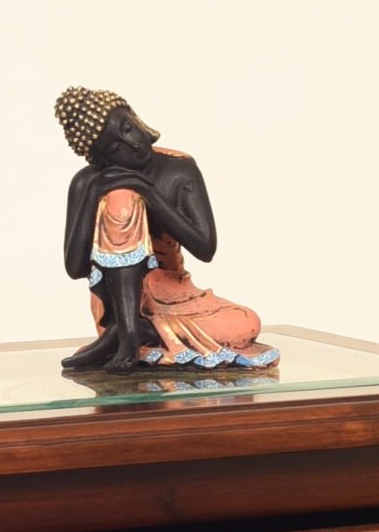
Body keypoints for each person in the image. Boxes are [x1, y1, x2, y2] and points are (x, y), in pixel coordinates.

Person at [53, 87, 274, 375]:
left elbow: (205, 247)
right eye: (116, 149)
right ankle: (128, 334)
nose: (132, 144)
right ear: (100, 160)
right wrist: (94, 194)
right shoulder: (89, 182)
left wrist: (149, 193)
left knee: (247, 323)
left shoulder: (178, 168)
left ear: (136, 118)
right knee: (121, 196)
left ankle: (139, 333)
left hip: (177, 296)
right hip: (117, 304)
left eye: (128, 129)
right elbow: (75, 268)